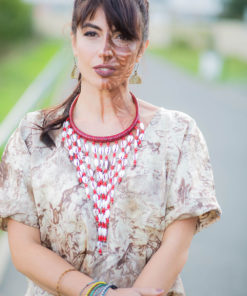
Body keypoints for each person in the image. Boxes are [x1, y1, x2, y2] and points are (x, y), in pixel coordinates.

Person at [0, 0, 222, 295]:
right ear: (74, 40)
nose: (105, 50)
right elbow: (23, 249)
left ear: (142, 46)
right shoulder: (33, 135)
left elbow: (176, 247)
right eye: (92, 33)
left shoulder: (178, 135)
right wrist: (97, 292)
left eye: (122, 36)